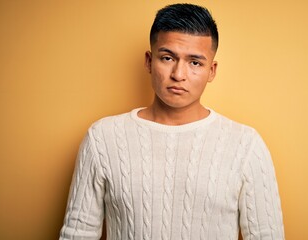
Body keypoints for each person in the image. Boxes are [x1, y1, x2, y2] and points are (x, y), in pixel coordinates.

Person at [59, 3, 284, 240]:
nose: (178, 74)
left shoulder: (246, 145)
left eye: (195, 63)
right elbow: (78, 234)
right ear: (149, 61)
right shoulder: (103, 138)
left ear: (212, 71)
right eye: (167, 58)